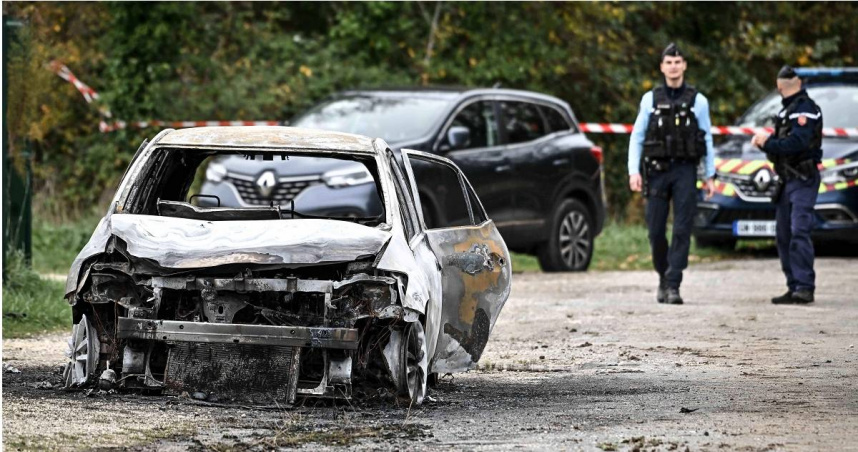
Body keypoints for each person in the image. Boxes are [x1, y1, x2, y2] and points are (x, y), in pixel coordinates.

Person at [628, 43, 716, 305]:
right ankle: (663, 276)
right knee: (655, 231)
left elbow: (706, 139)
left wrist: (709, 174)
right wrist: (634, 171)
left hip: (685, 171)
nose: (674, 66)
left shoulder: (698, 101)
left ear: (684, 65)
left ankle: (674, 282)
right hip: (656, 171)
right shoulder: (650, 99)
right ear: (662, 66)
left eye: (678, 62)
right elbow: (637, 137)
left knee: (682, 228)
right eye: (669, 62)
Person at [751, 65, 823, 305]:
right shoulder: (786, 111)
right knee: (784, 235)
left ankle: (804, 287)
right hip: (787, 179)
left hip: (803, 179)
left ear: (779, 86)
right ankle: (794, 286)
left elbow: (797, 143)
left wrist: (767, 143)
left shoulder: (805, 110)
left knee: (799, 232)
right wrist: (767, 145)